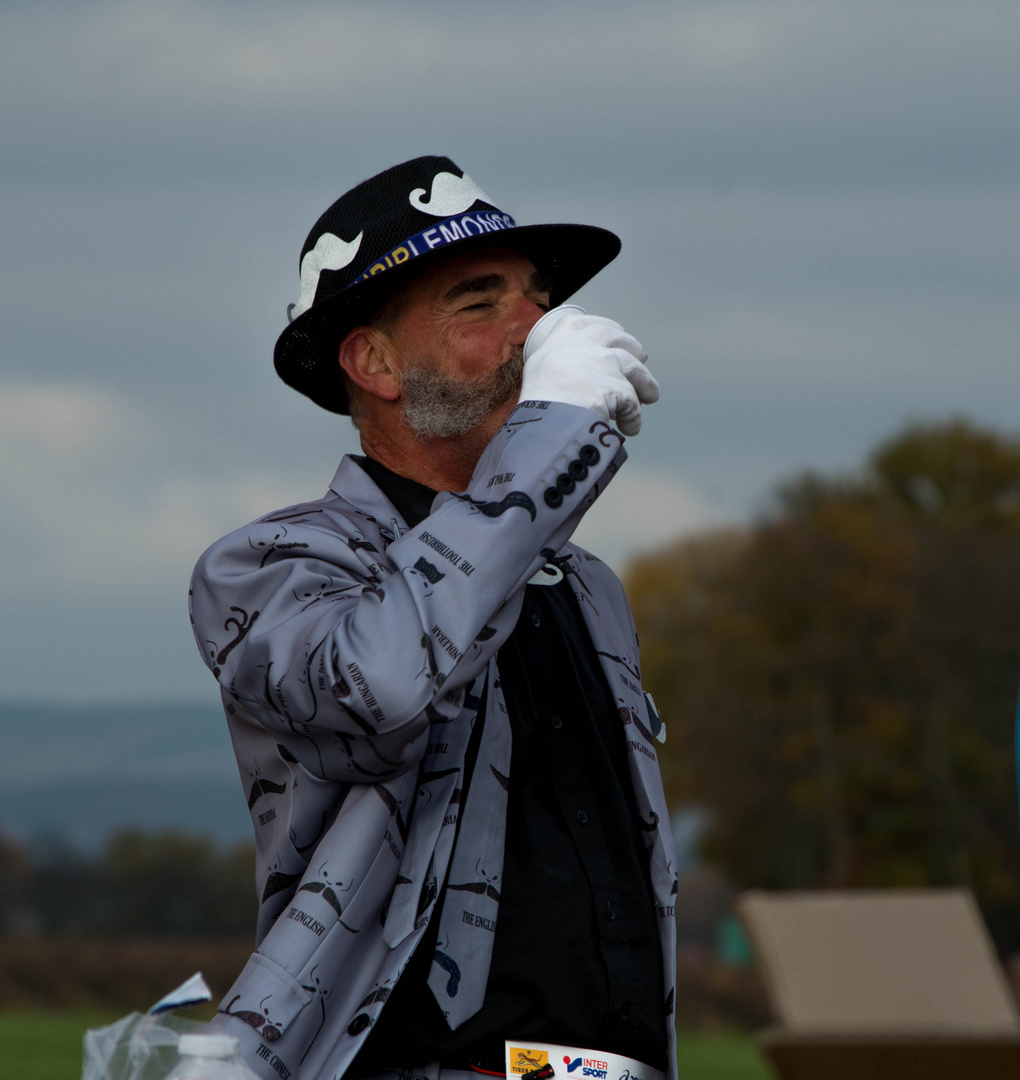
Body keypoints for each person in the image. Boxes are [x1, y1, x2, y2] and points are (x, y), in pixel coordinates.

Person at [189, 156, 677, 1080]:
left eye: (537, 302)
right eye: (479, 304)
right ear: (371, 362)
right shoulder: (266, 566)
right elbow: (383, 683)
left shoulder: (587, 585)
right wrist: (555, 433)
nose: (535, 332)